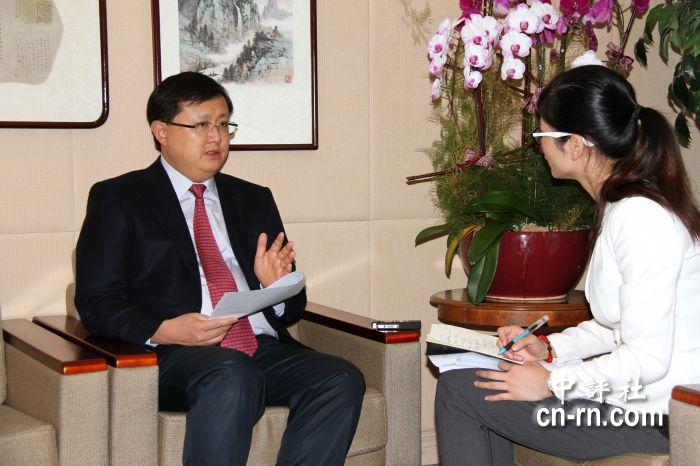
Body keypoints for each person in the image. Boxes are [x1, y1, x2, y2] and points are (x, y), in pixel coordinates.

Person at [74, 71, 365, 466]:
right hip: (175, 355)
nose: (216, 137)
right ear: (161, 131)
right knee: (232, 372)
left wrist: (277, 288)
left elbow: (293, 308)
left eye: (224, 125)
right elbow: (96, 300)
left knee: (341, 377)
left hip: (259, 347)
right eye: (201, 125)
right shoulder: (119, 198)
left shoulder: (253, 199)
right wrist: (164, 328)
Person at [434, 65, 700, 464]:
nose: (539, 146)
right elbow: (619, 327)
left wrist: (552, 382)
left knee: (460, 390)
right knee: (481, 381)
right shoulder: (624, 206)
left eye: (541, 135)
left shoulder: (642, 219)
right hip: (641, 402)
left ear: (574, 145)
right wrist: (549, 349)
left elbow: (647, 358)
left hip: (660, 417)